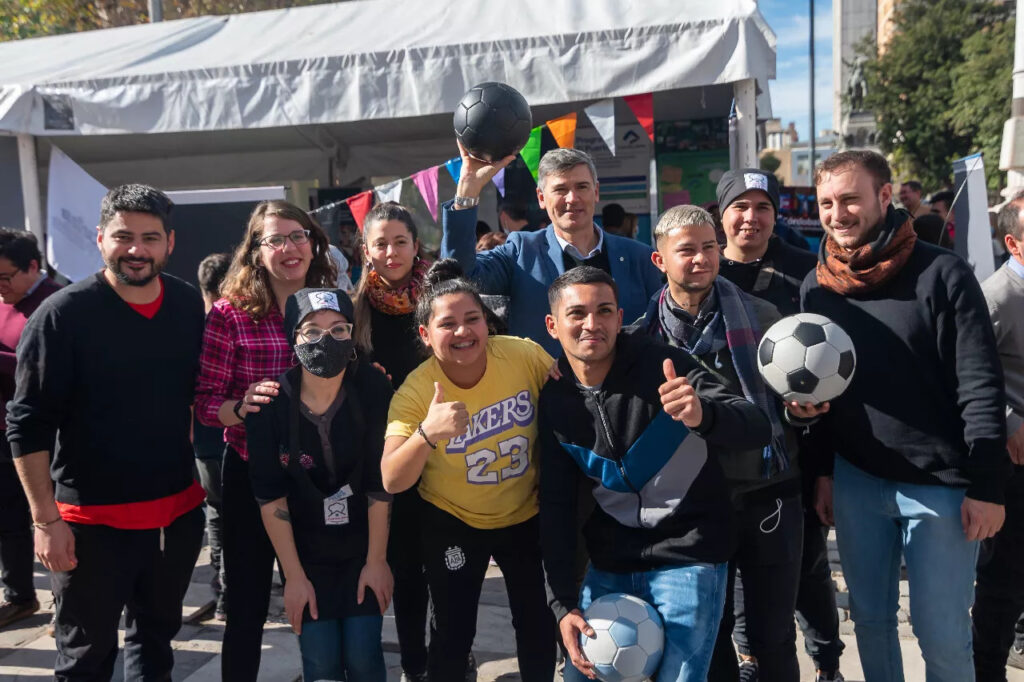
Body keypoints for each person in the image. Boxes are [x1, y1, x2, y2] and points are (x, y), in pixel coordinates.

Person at [805, 150, 1008, 682]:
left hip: (940, 486)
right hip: (854, 480)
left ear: (885, 196)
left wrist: (988, 485)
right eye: (826, 202)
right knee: (870, 625)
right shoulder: (817, 286)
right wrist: (824, 471)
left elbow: (980, 385)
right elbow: (824, 398)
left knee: (940, 636)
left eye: (850, 198)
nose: (837, 213)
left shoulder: (943, 274)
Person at [6, 184, 206, 680]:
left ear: (170, 243)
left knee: (156, 645)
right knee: (85, 659)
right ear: (99, 239)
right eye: (123, 236)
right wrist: (45, 521)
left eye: (150, 237)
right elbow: (26, 425)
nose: (136, 250)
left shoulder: (187, 306)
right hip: (88, 526)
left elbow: (206, 394)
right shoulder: (61, 316)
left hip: (175, 518)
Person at [539, 266, 772, 682]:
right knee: (580, 676)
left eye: (604, 311)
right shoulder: (555, 399)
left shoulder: (662, 365)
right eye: (577, 314)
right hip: (609, 564)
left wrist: (703, 414)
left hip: (690, 556)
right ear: (552, 326)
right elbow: (555, 506)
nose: (592, 324)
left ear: (619, 316)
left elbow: (756, 424)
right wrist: (563, 605)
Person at [635, 205, 831, 681]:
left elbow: (787, 401)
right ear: (660, 261)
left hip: (770, 492)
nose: (700, 258)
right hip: (695, 504)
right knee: (709, 636)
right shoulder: (643, 339)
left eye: (709, 247)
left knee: (773, 636)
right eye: (686, 250)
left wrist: (797, 412)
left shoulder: (762, 316)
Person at [381, 260, 557, 681]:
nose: (463, 332)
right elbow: (391, 478)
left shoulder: (523, 355)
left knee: (535, 621)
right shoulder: (416, 391)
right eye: (448, 324)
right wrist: (427, 433)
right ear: (425, 335)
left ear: (487, 323)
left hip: (524, 514)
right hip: (453, 519)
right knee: (453, 630)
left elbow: (571, 405)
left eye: (472, 319)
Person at [194, 200, 337, 681]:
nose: (290, 248)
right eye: (275, 240)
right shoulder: (230, 316)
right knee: (248, 605)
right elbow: (206, 404)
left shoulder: (333, 302)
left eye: (298, 236)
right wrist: (243, 405)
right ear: (255, 252)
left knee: (321, 598)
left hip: (320, 474)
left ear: (313, 242)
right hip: (251, 473)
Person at [715, 168, 845, 680]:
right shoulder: (704, 273)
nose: (751, 218)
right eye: (740, 207)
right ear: (721, 214)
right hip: (730, 455)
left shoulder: (806, 272)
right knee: (743, 572)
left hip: (802, 447)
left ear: (776, 214)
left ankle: (827, 658)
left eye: (762, 207)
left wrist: (826, 466)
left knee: (809, 563)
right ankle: (750, 657)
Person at [248, 287, 393, 681]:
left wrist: (377, 561)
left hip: (363, 546)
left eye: (338, 330)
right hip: (305, 553)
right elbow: (269, 494)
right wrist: (293, 577)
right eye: (311, 331)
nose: (325, 340)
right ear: (292, 337)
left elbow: (381, 483)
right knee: (320, 661)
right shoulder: (269, 404)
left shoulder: (373, 389)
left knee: (365, 656)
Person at [441, 144, 663, 354]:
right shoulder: (521, 251)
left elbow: (658, 332)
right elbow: (460, 275)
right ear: (541, 198)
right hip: (545, 389)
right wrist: (467, 192)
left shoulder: (639, 257)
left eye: (581, 187)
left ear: (595, 192)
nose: (572, 198)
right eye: (560, 189)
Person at [351, 201, 432, 682]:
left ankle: (452, 654)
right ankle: (414, 665)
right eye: (380, 243)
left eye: (400, 241)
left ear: (415, 245)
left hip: (444, 446)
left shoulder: (438, 297)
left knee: (446, 565)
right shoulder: (354, 307)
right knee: (402, 569)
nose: (391, 251)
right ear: (366, 250)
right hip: (385, 454)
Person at [972, 192, 1024, 681]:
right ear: (1014, 242)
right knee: (1003, 583)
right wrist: (1010, 422)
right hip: (1015, 467)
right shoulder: (997, 296)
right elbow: (968, 372)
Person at [0, 228, 61, 629]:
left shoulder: (56, 305)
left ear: (33, 268)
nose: (0, 288)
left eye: (6, 278)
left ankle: (66, 601)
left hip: (48, 439)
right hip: (7, 434)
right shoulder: (5, 301)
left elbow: (46, 372)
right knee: (8, 520)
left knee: (55, 522)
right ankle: (20, 596)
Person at [195, 252, 231, 621]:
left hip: (204, 445)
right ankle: (228, 596)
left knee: (218, 518)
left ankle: (222, 595)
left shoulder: (194, 325)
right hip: (224, 442)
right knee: (230, 517)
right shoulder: (226, 324)